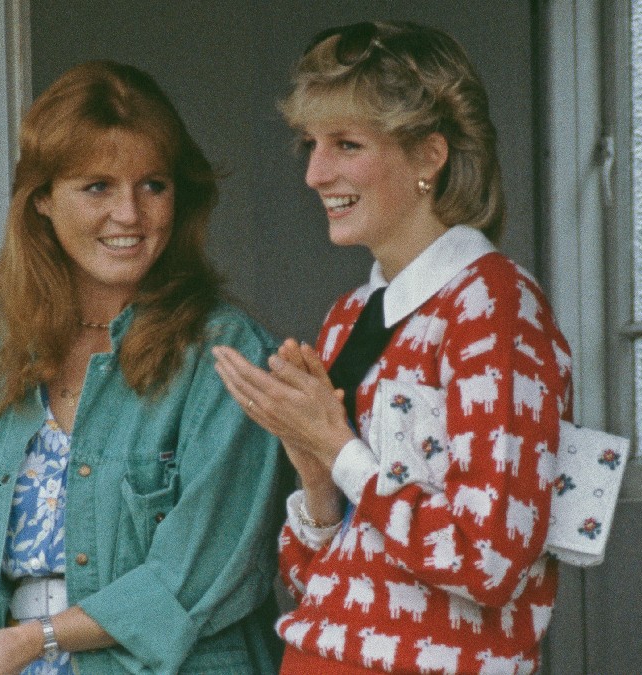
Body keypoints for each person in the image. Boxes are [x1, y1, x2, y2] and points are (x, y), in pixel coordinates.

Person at [212, 21, 572, 673]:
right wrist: (317, 477)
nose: (316, 173)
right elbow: (317, 577)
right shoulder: (351, 315)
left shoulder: (494, 304)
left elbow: (488, 560)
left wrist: (337, 448)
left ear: (429, 155)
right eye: (310, 144)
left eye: (346, 144)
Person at [0, 60, 284, 675]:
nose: (130, 215)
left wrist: (35, 640)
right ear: (44, 203)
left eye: (153, 185)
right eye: (97, 186)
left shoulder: (226, 357)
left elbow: (200, 574)